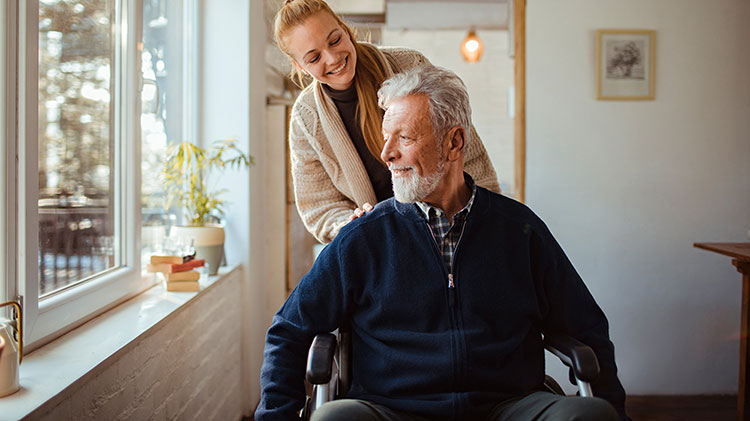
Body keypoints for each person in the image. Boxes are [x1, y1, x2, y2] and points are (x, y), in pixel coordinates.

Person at [256, 66, 630, 421]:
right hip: (391, 408)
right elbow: (289, 330)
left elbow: (587, 327)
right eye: (386, 138)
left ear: (454, 142)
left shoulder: (519, 230)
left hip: (507, 406)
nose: (386, 153)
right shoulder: (364, 237)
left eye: (404, 137)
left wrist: (615, 407)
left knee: (592, 415)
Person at [274, 0, 500, 244]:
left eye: (335, 40)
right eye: (314, 57)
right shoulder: (305, 118)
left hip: (450, 226)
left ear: (344, 28)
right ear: (300, 67)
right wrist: (350, 222)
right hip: (379, 244)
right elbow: (319, 207)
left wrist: (489, 217)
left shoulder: (410, 65)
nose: (332, 58)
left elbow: (466, 152)